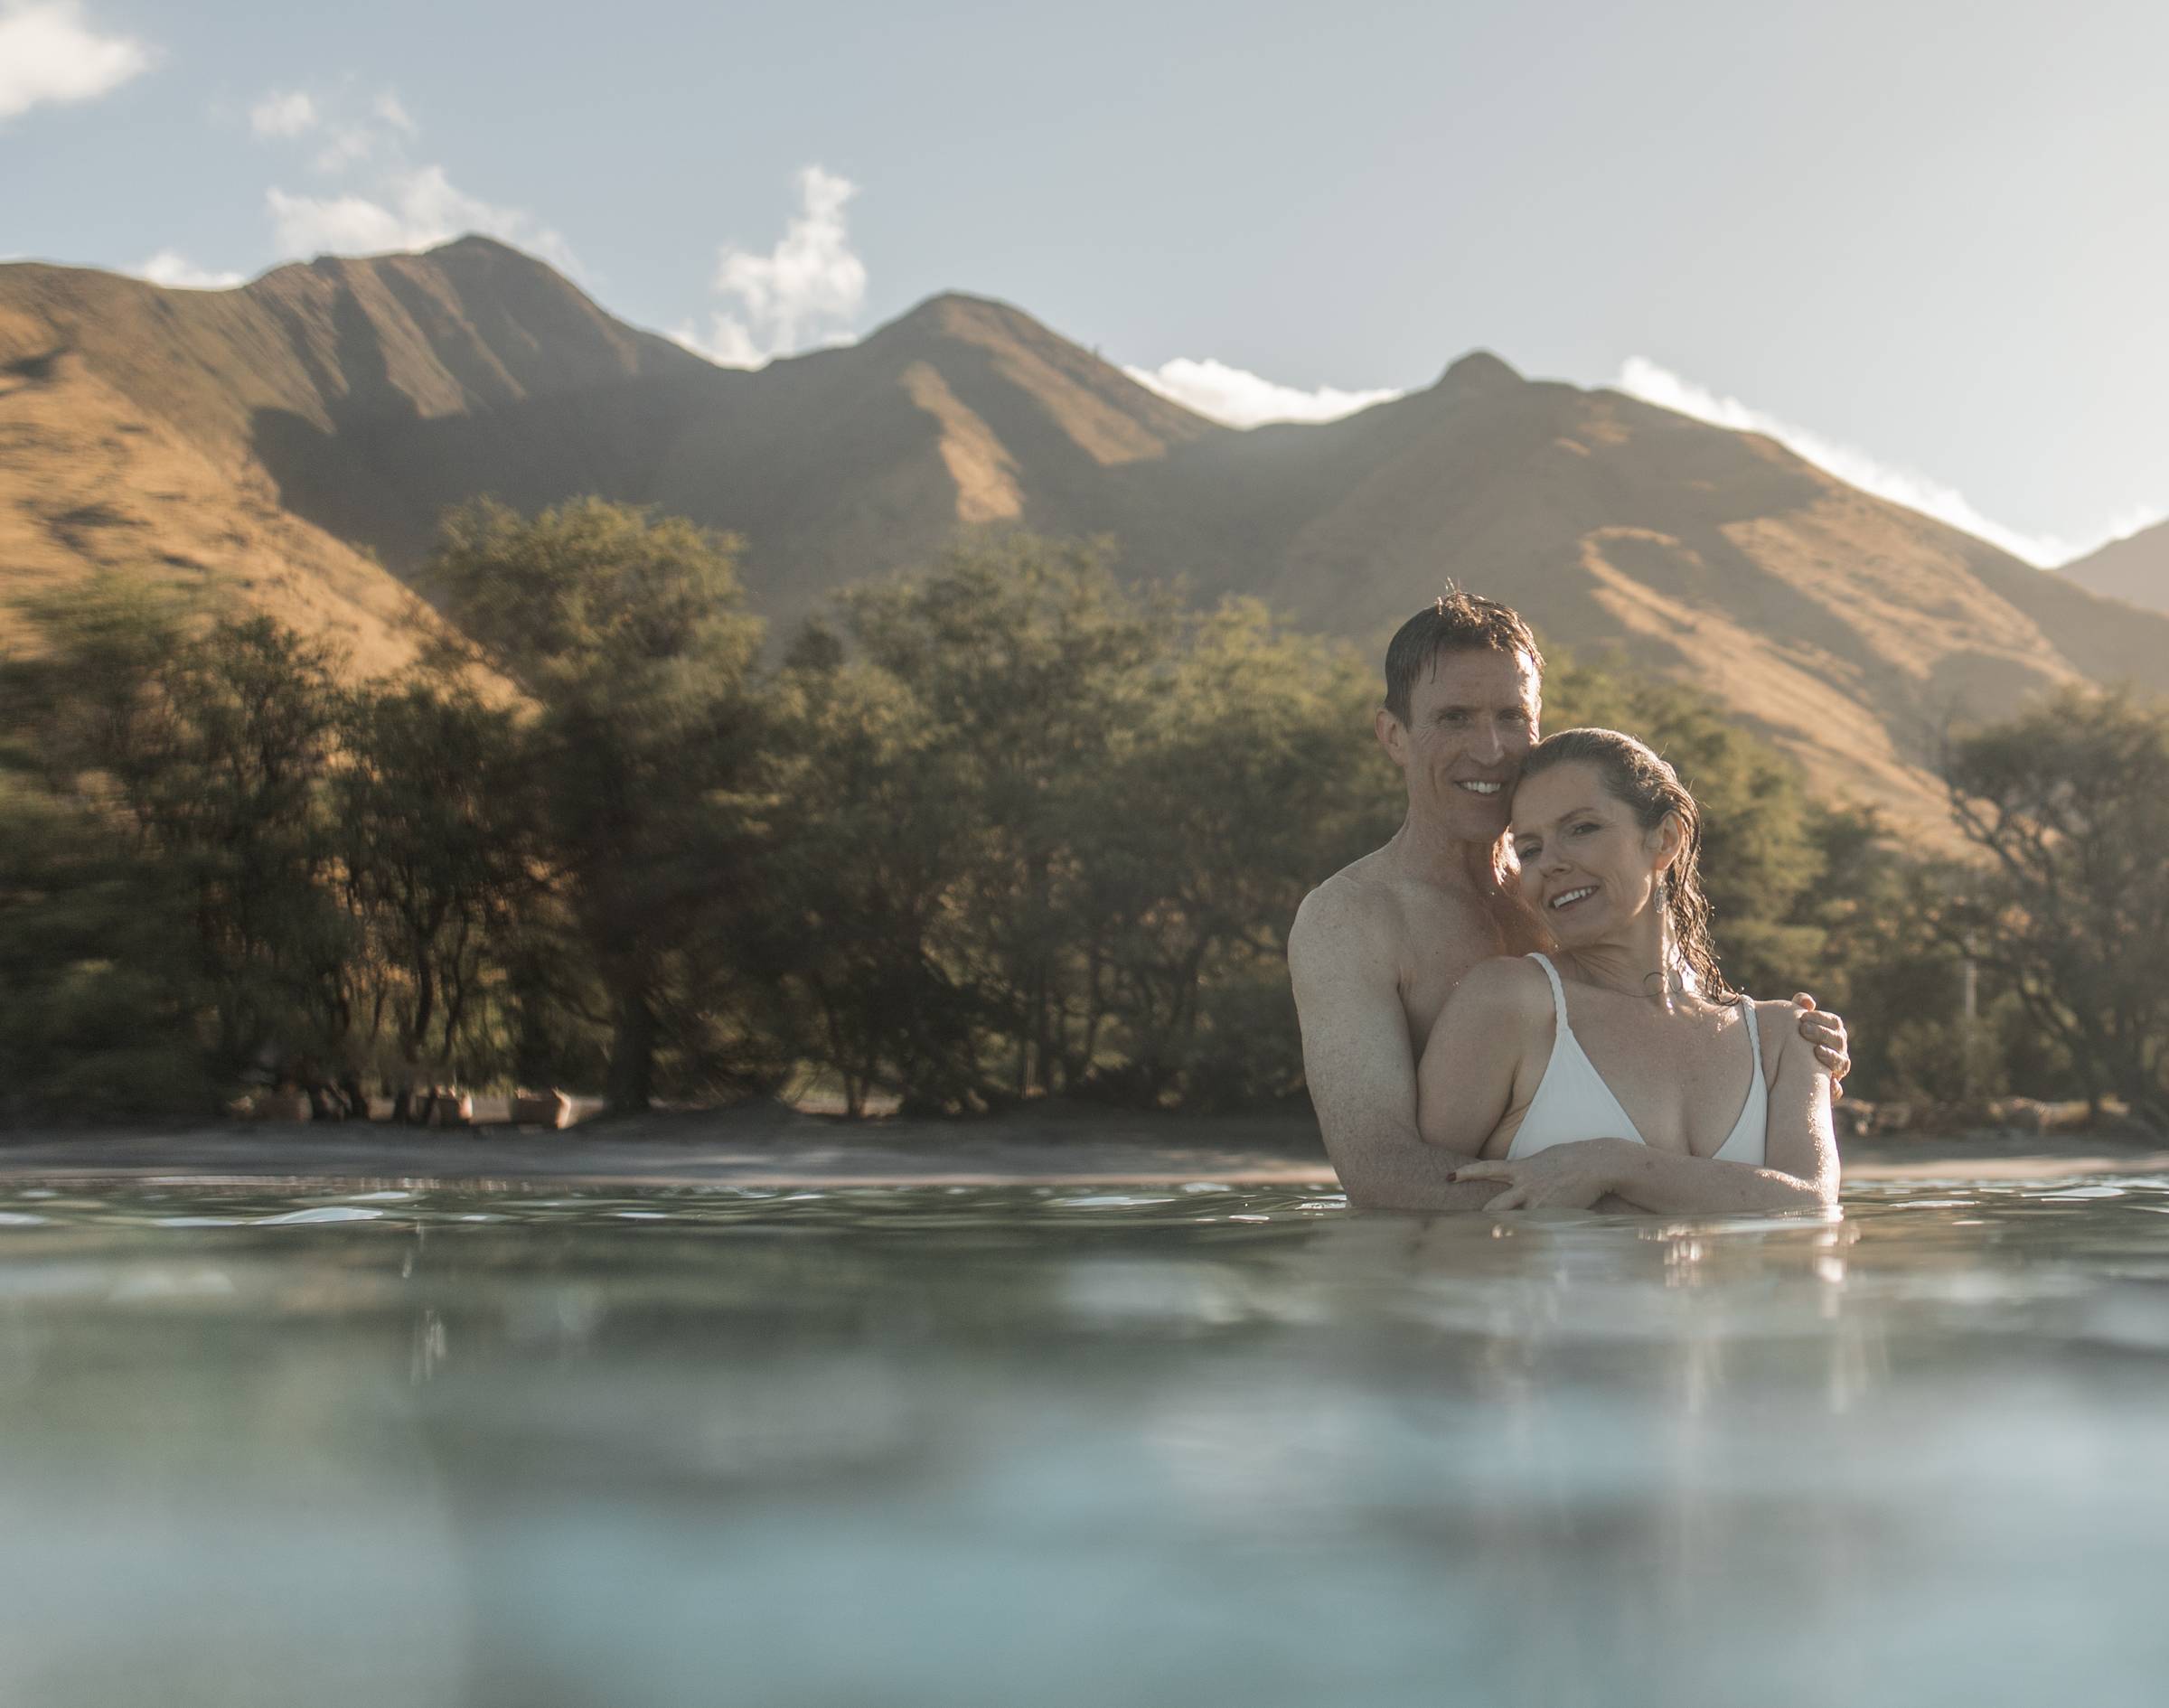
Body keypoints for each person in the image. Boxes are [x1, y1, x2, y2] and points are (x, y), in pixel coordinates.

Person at [1287, 590, 1848, 1211]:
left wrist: (1797, 1053)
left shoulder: (1568, 892)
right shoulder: (1352, 918)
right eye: (1455, 718)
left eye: (1511, 717)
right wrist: (1623, 1208)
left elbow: (1663, 1016)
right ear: (1394, 735)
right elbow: (1380, 1169)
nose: (1491, 748)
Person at [1415, 728, 1837, 1211]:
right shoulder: (1510, 1003)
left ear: (1666, 838)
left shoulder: (1784, 1036)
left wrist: (1614, 1165)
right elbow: (1415, 1206)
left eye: (1582, 829)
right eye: (1529, 849)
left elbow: (1813, 1202)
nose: (1549, 863)